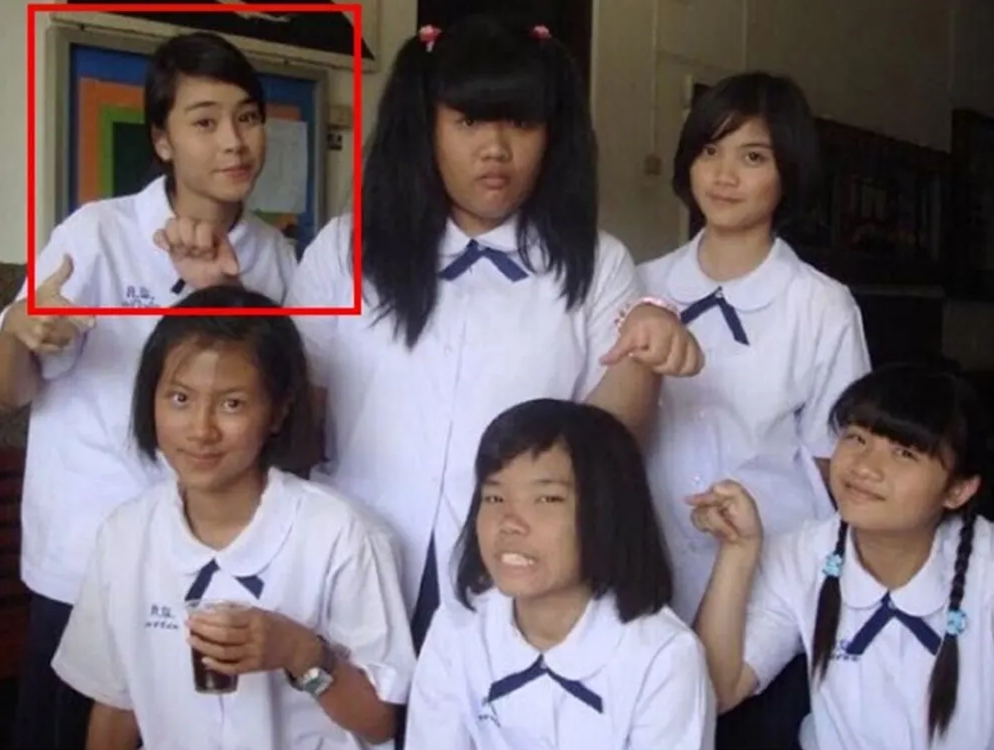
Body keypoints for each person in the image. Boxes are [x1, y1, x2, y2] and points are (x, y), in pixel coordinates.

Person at [285, 13, 702, 655]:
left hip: (518, 580)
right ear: (426, 126)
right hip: (353, 554)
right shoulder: (346, 250)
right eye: (469, 122)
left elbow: (608, 447)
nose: (496, 149)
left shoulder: (597, 264)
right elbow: (297, 418)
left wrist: (646, 354)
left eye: (521, 124)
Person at [0, 32, 297, 749]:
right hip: (85, 561)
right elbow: (11, 393)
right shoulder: (97, 235)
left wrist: (224, 295)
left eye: (247, 117)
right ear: (162, 141)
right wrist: (19, 333)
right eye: (204, 121)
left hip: (216, 568)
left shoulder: (277, 258)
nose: (233, 142)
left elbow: (284, 417)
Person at [51, 286, 415, 750]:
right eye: (180, 398)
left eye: (232, 404)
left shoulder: (341, 535)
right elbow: (117, 703)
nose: (201, 430)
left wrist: (298, 651)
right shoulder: (125, 534)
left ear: (278, 411)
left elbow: (378, 722)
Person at [637, 71, 871, 748]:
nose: (724, 175)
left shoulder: (821, 306)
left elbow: (838, 467)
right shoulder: (642, 285)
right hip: (649, 564)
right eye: (710, 151)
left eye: (753, 156)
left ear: (788, 172)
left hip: (771, 580)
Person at [691, 363, 992, 750]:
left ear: (958, 490)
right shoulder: (803, 556)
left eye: (903, 453)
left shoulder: (986, 569)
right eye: (857, 438)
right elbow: (717, 691)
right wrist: (738, 549)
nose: (865, 467)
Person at [405, 398, 715, 750]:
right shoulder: (456, 628)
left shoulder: (663, 657)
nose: (509, 523)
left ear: (607, 513)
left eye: (546, 499)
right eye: (494, 498)